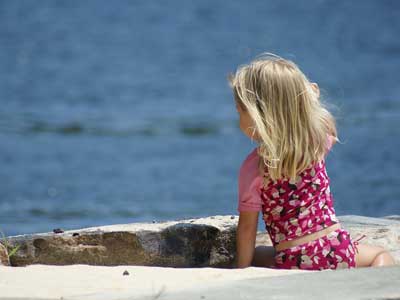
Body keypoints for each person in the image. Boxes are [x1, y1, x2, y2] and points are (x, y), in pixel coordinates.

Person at [228, 53, 395, 270]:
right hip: (337, 250)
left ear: (259, 115)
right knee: (379, 256)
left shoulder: (254, 167)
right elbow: (329, 128)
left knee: (258, 254)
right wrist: (310, 96)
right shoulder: (315, 143)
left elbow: (247, 228)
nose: (237, 116)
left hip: (291, 260)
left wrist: (243, 270)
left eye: (240, 111)